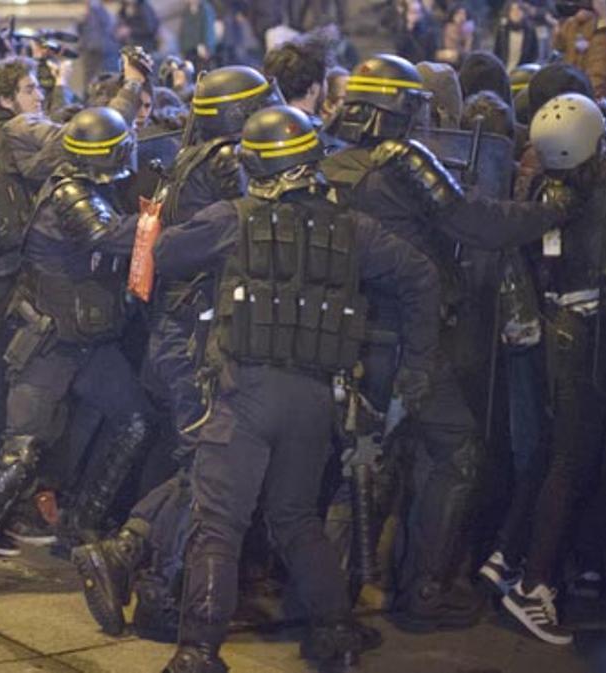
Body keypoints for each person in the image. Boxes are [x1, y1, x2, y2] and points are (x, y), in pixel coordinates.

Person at [151, 103, 440, 672]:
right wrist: (418, 367)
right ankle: (335, 633)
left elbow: (163, 254)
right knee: (295, 517)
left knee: (218, 524)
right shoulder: (353, 228)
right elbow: (421, 277)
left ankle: (198, 652)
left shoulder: (230, 219)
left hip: (244, 392)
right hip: (316, 398)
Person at [323, 53, 574, 632]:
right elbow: (476, 221)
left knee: (361, 467)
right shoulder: (405, 162)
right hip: (407, 337)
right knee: (456, 449)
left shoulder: (330, 161)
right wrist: (546, 213)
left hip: (345, 338)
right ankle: (425, 588)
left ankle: (330, 598)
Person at [70, 66, 282, 639]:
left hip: (177, 330)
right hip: (197, 333)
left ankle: (129, 555)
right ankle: (159, 590)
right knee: (209, 469)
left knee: (201, 464)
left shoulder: (190, 158)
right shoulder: (225, 162)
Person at [0, 106, 154, 600]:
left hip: (88, 341)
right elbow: (108, 236)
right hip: (49, 344)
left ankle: (79, 526)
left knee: (134, 419)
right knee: (19, 451)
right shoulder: (71, 193)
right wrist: (165, 223)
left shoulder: (90, 186)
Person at [489, 93, 606, 646]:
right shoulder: (603, 188)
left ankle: (509, 556)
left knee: (558, 455)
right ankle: (532, 585)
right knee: (571, 461)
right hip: (587, 341)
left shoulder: (551, 190)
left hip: (557, 329)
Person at [552, 0, 606, 100]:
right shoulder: (570, 24)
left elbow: (600, 79)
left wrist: (603, 23)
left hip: (593, 100)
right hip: (574, 95)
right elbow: (559, 50)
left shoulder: (604, 32)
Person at [495, 1, 539, 71]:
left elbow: (534, 53)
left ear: (523, 13)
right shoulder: (502, 31)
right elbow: (497, 52)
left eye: (519, 9)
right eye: (513, 10)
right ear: (508, 13)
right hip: (504, 71)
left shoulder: (530, 31)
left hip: (522, 73)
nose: (516, 13)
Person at [178, 0, 217, 69]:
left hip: (201, 48)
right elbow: (184, 30)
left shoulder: (205, 9)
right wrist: (182, 48)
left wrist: (206, 46)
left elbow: (208, 28)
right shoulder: (187, 10)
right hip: (189, 48)